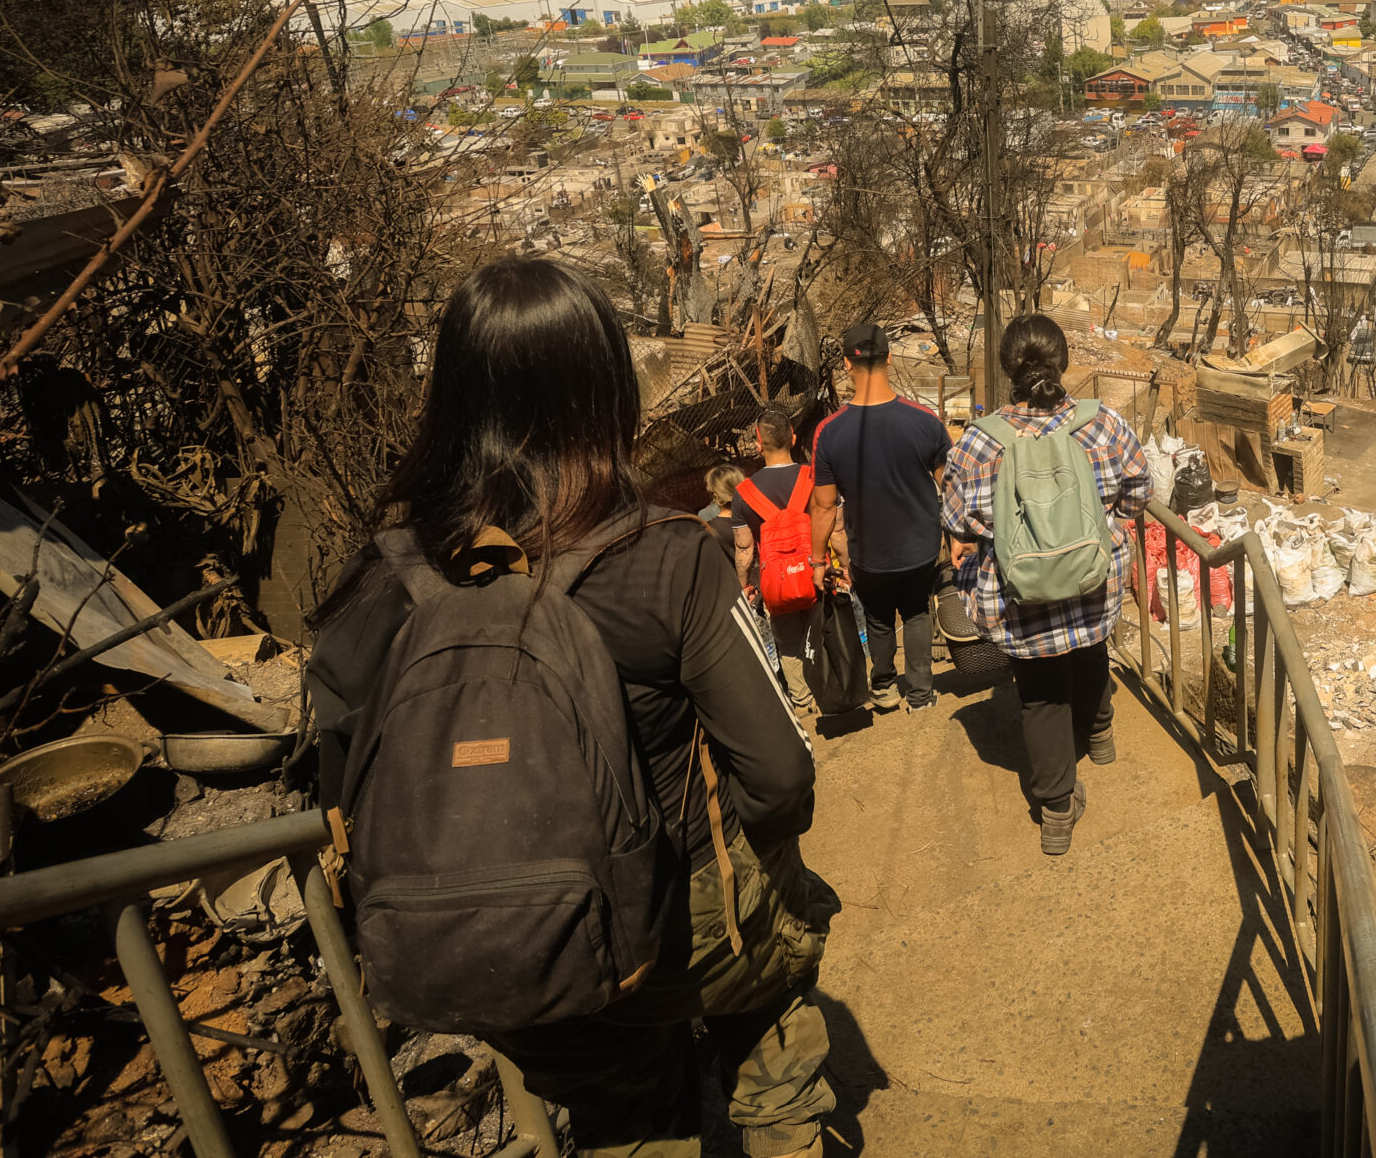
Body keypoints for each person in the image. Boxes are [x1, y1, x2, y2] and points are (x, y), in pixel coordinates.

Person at [306, 259, 834, 1158]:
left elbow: (338, 803)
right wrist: (750, 861)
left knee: (622, 1121)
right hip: (688, 921)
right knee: (775, 1027)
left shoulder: (376, 587)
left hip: (517, 940)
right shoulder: (669, 559)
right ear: (606, 392)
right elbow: (779, 775)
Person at [940, 314, 1149, 855]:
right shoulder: (1103, 424)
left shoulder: (977, 444)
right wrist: (1115, 524)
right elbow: (1139, 487)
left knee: (1040, 693)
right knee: (1089, 643)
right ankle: (1099, 734)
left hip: (1020, 593)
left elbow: (959, 520)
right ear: (1063, 363)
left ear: (1009, 369)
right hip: (1092, 581)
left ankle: (1057, 809)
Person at [809, 321, 950, 713]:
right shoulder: (925, 420)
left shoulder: (829, 432)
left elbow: (822, 506)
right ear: (888, 358)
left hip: (867, 551)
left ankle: (884, 688)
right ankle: (920, 696)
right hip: (920, 546)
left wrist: (817, 561)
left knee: (879, 617)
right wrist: (960, 539)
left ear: (845, 364)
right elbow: (951, 487)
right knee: (918, 612)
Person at [722, 408, 819, 719]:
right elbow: (835, 522)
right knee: (822, 629)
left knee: (787, 640)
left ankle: (802, 701)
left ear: (758, 442)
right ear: (792, 437)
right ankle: (830, 688)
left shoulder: (743, 493)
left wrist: (744, 585)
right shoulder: (813, 477)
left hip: (775, 581)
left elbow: (744, 550)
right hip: (816, 570)